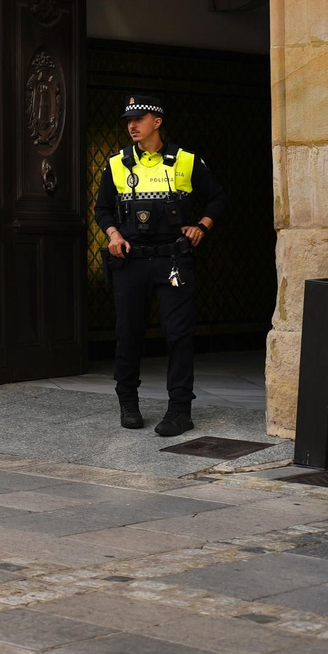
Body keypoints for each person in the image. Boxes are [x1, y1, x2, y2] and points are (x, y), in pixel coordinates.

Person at [93, 94, 226, 437]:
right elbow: (102, 208)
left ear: (158, 122)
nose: (132, 126)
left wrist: (202, 226)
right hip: (131, 261)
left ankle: (180, 411)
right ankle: (128, 402)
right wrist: (112, 234)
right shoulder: (117, 163)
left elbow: (218, 197)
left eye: (140, 118)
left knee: (179, 336)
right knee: (128, 335)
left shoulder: (184, 160)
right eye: (128, 120)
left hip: (173, 260)